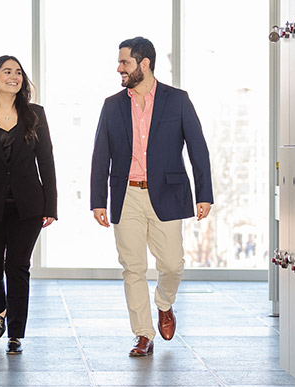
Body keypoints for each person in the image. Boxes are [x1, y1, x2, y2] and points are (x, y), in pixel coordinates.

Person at [89, 37, 213, 357]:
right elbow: (100, 155)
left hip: (168, 193)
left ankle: (165, 304)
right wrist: (98, 200)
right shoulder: (112, 105)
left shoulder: (178, 100)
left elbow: (198, 149)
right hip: (126, 194)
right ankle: (143, 334)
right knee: (133, 267)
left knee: (172, 265)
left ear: (144, 64)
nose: (120, 68)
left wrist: (205, 194)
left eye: (125, 62)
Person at [0, 55, 57, 354]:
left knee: (17, 267)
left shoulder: (35, 115)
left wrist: (51, 205)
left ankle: (15, 333)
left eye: (18, 72)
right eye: (7, 72)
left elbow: (47, 161)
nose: (14, 76)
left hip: (28, 205)